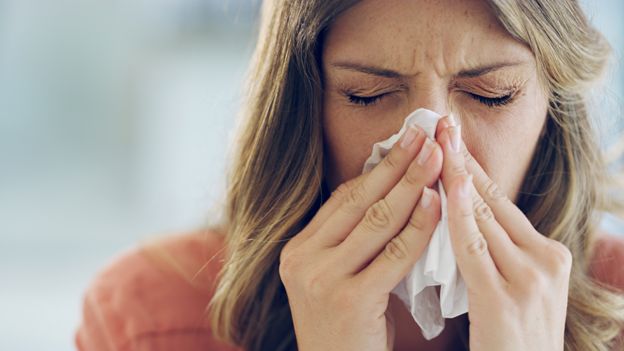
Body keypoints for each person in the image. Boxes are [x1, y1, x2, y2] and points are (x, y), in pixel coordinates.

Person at [75, 0, 624, 350]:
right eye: (368, 95)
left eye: (491, 94)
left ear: (553, 107)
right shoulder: (154, 316)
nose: (434, 147)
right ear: (302, 108)